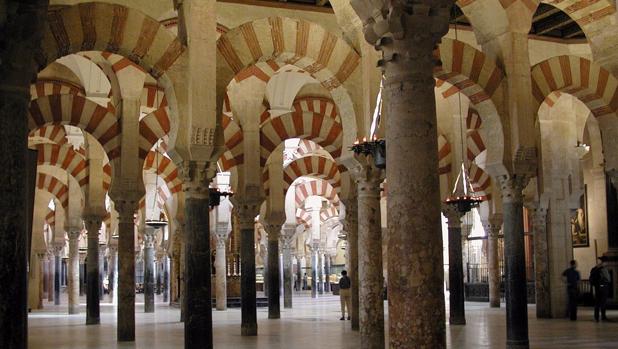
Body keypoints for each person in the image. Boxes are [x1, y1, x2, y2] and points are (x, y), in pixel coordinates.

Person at [590, 256, 611, 322]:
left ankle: (596, 317)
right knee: (603, 302)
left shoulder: (594, 268)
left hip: (597, 287)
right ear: (604, 262)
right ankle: (603, 317)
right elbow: (608, 279)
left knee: (597, 302)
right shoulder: (603, 269)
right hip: (603, 286)